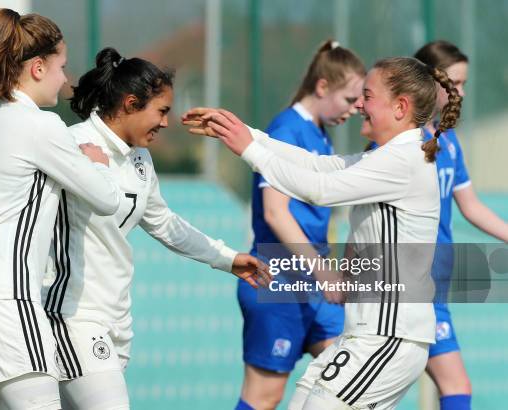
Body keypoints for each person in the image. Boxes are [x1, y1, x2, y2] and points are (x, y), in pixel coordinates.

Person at [0, 47, 271, 409]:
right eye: (161, 111)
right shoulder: (69, 142)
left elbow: (164, 222)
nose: (166, 122)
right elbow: (13, 187)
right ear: (132, 103)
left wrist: (227, 258)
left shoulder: (140, 160)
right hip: (70, 316)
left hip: (115, 320)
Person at [183, 55, 462, 409]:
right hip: (365, 335)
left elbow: (321, 188)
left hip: (390, 337)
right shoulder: (389, 155)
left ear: (400, 107)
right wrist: (245, 134)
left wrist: (250, 149)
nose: (359, 104)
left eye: (368, 96)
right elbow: (318, 166)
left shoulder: (403, 160)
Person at [0, 8, 124, 410]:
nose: (66, 78)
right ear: (38, 68)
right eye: (61, 66)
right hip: (6, 298)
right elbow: (107, 198)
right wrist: (96, 161)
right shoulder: (39, 125)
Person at [236, 39, 365, 410]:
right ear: (322, 87)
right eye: (349, 99)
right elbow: (276, 212)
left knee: (344, 383)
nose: (356, 109)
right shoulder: (286, 130)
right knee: (265, 396)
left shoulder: (319, 136)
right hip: (278, 280)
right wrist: (324, 273)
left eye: (361, 101)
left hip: (313, 287)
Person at [413, 40, 508, 410]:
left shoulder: (447, 142)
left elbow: (470, 205)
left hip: (432, 290)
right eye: (455, 83)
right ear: (427, 82)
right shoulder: (403, 143)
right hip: (403, 285)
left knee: (457, 388)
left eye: (465, 83)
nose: (461, 93)